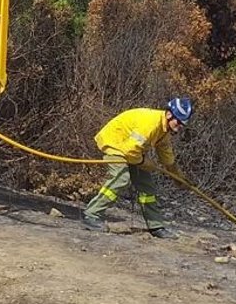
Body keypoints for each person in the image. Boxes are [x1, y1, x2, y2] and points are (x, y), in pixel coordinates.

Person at [82, 97, 194, 239]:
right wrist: (144, 162)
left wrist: (178, 176)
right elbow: (130, 151)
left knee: (146, 186)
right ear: (169, 114)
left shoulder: (164, 131)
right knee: (121, 178)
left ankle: (156, 226)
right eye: (178, 122)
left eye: (183, 124)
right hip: (115, 144)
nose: (180, 126)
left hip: (131, 151)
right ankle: (91, 215)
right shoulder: (150, 124)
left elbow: (167, 156)